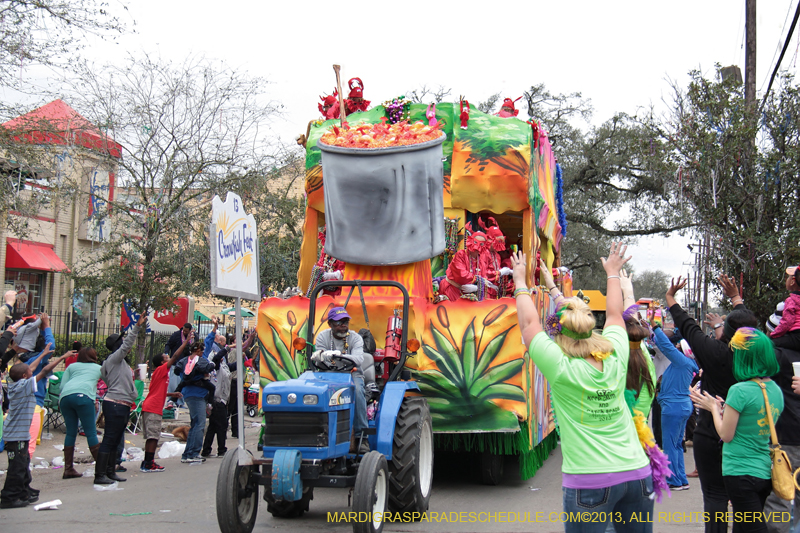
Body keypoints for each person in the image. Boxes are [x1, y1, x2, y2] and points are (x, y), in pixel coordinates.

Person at [512, 243, 655, 532]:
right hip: (637, 475)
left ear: (558, 334)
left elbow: (529, 322)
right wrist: (612, 273)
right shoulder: (616, 355)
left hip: (590, 482)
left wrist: (519, 282)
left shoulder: (561, 368)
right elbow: (615, 316)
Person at [666, 274, 758, 533]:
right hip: (748, 435)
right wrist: (736, 299)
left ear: (724, 332)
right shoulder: (761, 359)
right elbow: (749, 329)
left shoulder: (714, 354)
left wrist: (671, 298)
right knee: (745, 500)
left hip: (711, 434)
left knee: (715, 497)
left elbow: (688, 327)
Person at [690, 328, 783, 533]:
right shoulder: (775, 390)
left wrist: (714, 408)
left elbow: (725, 434)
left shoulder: (739, 390)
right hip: (764, 470)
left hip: (740, 472)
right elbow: (754, 420)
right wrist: (724, 409)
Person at [0, 346, 65, 508]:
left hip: (19, 433)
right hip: (16, 435)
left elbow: (34, 368)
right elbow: (43, 371)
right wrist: (63, 356)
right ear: (24, 376)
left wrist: (43, 353)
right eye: (29, 371)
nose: (31, 370)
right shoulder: (23, 386)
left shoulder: (16, 382)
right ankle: (9, 497)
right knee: (17, 466)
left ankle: (23, 491)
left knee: (23, 462)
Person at [94, 315, 146, 485]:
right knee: (110, 439)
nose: (127, 347)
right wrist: (136, 327)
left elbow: (110, 378)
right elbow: (127, 344)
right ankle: (100, 474)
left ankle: (110, 471)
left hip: (120, 404)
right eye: (122, 343)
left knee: (115, 440)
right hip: (116, 404)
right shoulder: (114, 359)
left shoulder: (119, 363)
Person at [312, 307, 369, 453]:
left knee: (357, 391)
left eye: (346, 321)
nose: (343, 325)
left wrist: (337, 355)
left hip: (351, 373)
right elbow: (319, 358)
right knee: (313, 393)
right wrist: (319, 357)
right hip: (328, 373)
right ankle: (315, 433)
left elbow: (358, 359)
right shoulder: (322, 337)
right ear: (330, 324)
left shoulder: (355, 338)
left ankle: (362, 437)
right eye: (339, 322)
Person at [651, 317, 698, 491]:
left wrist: (655, 328)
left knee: (670, 445)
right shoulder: (688, 363)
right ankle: (681, 478)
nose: (675, 348)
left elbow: (666, 346)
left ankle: (673, 481)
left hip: (673, 407)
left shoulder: (681, 361)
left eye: (678, 347)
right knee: (677, 444)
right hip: (682, 406)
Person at [139, 332, 191, 472]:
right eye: (166, 358)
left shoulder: (159, 374)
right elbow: (175, 357)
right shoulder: (162, 369)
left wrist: (171, 394)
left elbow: (156, 390)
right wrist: (185, 343)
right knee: (153, 437)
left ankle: (147, 461)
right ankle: (149, 462)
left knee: (153, 436)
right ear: (163, 363)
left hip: (151, 406)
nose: (168, 358)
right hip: (153, 407)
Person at [58, 347, 98, 479]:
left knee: (70, 432)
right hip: (84, 397)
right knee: (90, 432)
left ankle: (68, 469)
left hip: (65, 397)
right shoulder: (98, 368)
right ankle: (102, 467)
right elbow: (109, 383)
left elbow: (62, 386)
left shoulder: (72, 367)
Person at [174, 339, 215, 464]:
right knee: (199, 425)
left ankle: (188, 453)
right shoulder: (199, 361)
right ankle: (194, 453)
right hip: (197, 394)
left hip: (188, 394)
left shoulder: (183, 362)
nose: (203, 353)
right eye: (202, 351)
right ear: (198, 351)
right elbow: (207, 368)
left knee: (195, 424)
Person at [202, 347, 236, 458]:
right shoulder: (214, 367)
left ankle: (206, 450)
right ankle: (221, 449)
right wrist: (227, 348)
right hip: (217, 401)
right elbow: (217, 358)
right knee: (221, 426)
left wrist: (244, 353)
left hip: (222, 401)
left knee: (213, 427)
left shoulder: (223, 367)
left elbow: (234, 366)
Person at [769, 265, 800, 350]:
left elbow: (787, 322)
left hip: (797, 337)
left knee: (769, 344)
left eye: (788, 277)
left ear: (793, 281)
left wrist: (773, 335)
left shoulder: (791, 300)